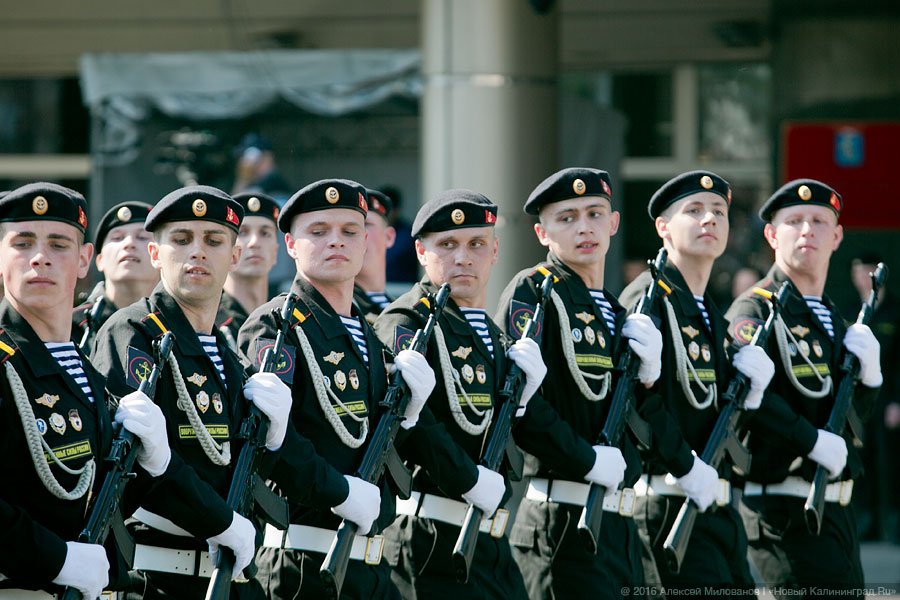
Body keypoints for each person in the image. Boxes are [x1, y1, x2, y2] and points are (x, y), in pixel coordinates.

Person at [237, 178, 435, 599]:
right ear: (290, 244)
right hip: (304, 565)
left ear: (366, 243)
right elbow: (274, 442)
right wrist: (341, 493)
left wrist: (411, 415)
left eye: (349, 232)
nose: (336, 242)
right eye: (318, 231)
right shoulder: (275, 325)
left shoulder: (368, 334)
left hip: (373, 568)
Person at [91, 185, 290, 598]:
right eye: (181, 240)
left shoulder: (228, 354)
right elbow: (133, 470)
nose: (197, 252)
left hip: (230, 575)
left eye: (214, 241)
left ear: (233, 257)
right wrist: (220, 521)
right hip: (160, 578)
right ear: (156, 255)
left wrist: (274, 439)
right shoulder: (134, 333)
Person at [0, 183, 177, 598]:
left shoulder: (82, 371)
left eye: (58, 244)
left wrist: (152, 464)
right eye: (22, 242)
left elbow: (96, 499)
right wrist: (56, 557)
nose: (40, 257)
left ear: (84, 260)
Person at [495, 168, 665, 599]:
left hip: (621, 526)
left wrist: (649, 380)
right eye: (566, 218)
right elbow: (522, 407)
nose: (584, 227)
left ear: (613, 224)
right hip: (563, 519)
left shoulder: (616, 311)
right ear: (541, 232)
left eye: (594, 213)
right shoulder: (533, 291)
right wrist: (586, 459)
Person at [374, 189, 541, 600]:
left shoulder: (496, 336)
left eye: (476, 244)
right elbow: (418, 425)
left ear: (495, 251)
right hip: (434, 537)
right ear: (420, 251)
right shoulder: (407, 319)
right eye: (447, 245)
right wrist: (469, 480)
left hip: (490, 538)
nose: (463, 257)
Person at [619, 170, 774, 591]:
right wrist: (686, 465)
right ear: (663, 228)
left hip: (715, 508)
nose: (709, 219)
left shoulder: (707, 307)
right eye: (695, 210)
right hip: (669, 505)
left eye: (719, 212)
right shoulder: (648, 298)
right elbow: (636, 402)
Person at [726, 179, 882, 593]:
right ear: (772, 235)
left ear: (837, 236)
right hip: (783, 508)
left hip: (835, 511)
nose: (807, 230)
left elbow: (845, 419)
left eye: (819, 221)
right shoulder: (755, 308)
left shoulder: (834, 316)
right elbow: (750, 402)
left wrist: (870, 382)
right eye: (794, 221)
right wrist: (809, 440)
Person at [845, 253, 900, 540]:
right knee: (862, 462)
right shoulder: (852, 311)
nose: (862, 279)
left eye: (866, 273)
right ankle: (866, 524)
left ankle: (891, 524)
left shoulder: (895, 310)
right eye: (857, 273)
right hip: (860, 403)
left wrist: (897, 402)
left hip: (889, 403)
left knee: (889, 463)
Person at [73, 201, 159, 352]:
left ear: (159, 255)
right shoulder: (72, 326)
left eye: (142, 237)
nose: (129, 243)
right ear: (99, 260)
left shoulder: (178, 325)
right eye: (117, 238)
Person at [216, 191, 281, 351]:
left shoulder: (284, 321)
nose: (254, 242)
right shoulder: (209, 321)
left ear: (275, 251)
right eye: (243, 232)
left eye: (265, 233)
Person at [353, 188, 398, 324]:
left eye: (366, 225)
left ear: (389, 237)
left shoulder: (402, 309)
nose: (359, 234)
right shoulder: (338, 309)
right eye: (349, 229)